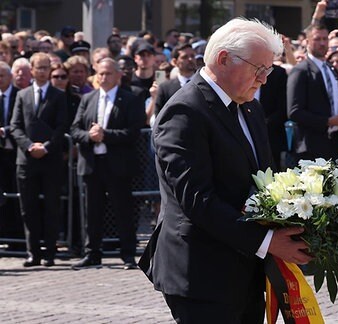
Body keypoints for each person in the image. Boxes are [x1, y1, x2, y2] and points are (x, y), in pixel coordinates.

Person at [138, 18, 312, 323]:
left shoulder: (249, 107)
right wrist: (269, 243)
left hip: (246, 268)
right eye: (259, 69)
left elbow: (265, 180)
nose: (264, 79)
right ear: (223, 59)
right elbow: (197, 200)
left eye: (269, 70)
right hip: (203, 273)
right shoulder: (184, 112)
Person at [70, 58, 145, 270]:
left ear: (118, 75)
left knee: (123, 210)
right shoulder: (87, 99)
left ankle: (128, 254)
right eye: (100, 74)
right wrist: (89, 136)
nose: (104, 78)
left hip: (118, 165)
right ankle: (92, 253)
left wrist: (106, 135)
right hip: (93, 163)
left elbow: (133, 132)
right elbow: (75, 129)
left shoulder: (130, 99)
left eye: (108, 73)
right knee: (91, 211)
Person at [10, 52, 68, 267]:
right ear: (32, 70)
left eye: (46, 68)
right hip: (26, 160)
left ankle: (50, 252)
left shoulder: (58, 95)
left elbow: (62, 126)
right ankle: (32, 252)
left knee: (51, 207)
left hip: (50, 159)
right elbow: (15, 126)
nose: (43, 71)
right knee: (28, 207)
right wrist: (29, 146)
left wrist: (47, 147)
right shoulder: (22, 95)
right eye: (39, 67)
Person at [287, 22, 338, 164]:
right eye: (317, 39)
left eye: (325, 39)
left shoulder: (331, 70)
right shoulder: (301, 71)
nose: (322, 43)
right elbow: (294, 112)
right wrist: (328, 121)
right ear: (307, 42)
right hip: (310, 148)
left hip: (334, 145)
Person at [0, 61, 23, 249]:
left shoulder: (19, 96)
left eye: (2, 76)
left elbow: (20, 122)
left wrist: (4, 131)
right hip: (1, 157)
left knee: (18, 197)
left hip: (16, 153)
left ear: (10, 77)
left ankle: (19, 239)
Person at [153, 43, 196, 117]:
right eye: (184, 57)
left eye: (192, 56)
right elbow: (159, 115)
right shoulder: (165, 88)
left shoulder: (205, 84)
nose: (190, 59)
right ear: (175, 62)